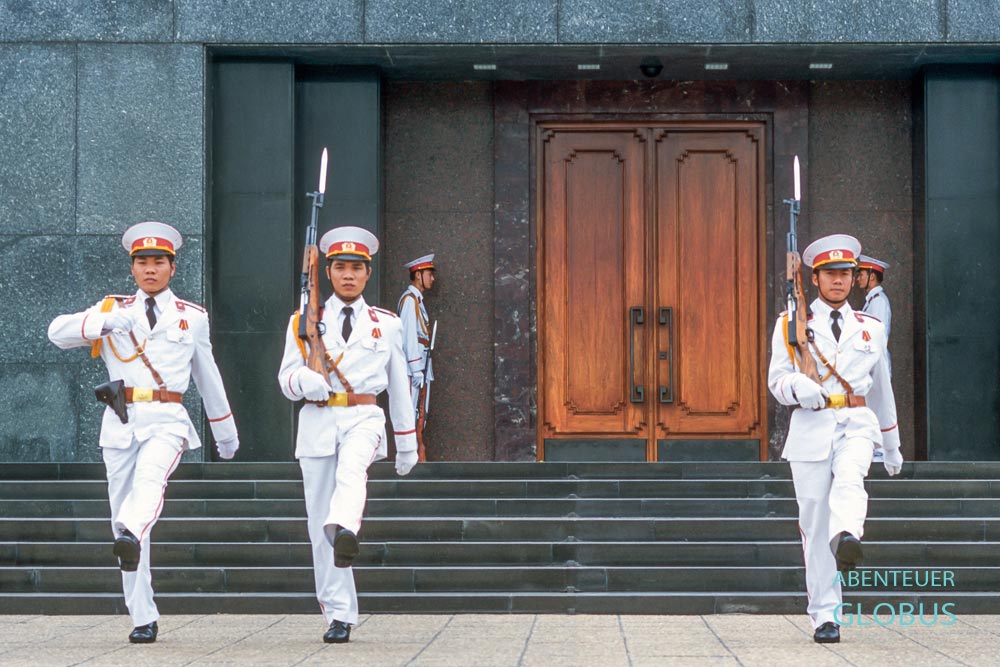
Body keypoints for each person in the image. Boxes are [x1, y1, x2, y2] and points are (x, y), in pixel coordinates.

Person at [47, 221, 239, 644]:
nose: (150, 269)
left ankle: (132, 530)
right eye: (142, 262)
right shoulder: (112, 309)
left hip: (168, 417)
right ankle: (142, 616)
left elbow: (208, 377)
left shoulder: (192, 318)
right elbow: (56, 333)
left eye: (158, 262)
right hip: (120, 421)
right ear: (132, 268)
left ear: (172, 268)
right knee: (124, 523)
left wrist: (225, 433)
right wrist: (102, 323)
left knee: (149, 485)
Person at [277, 226, 418, 644]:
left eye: (357, 268)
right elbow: (284, 379)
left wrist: (406, 442)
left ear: (368, 274)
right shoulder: (304, 321)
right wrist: (305, 382)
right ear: (329, 274)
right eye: (340, 267)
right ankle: (339, 613)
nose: (349, 275)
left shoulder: (387, 325)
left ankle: (346, 526)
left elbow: (400, 385)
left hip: (364, 417)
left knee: (352, 474)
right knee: (318, 525)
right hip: (319, 422)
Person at [767, 234, 903, 645]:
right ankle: (825, 615)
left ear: (854, 277)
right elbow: (777, 381)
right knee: (813, 527)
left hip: (857, 422)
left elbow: (882, 389)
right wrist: (798, 388)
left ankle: (848, 537)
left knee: (850, 478)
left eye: (846, 274)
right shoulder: (791, 325)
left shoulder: (870, 329)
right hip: (811, 429)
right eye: (831, 274)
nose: (840, 281)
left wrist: (892, 444)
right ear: (815, 278)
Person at [397, 254, 435, 415]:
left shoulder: (417, 301)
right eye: (429, 274)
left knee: (420, 413)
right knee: (411, 413)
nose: (432, 278)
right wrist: (415, 368)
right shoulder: (410, 301)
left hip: (421, 364)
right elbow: (409, 336)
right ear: (418, 275)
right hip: (413, 368)